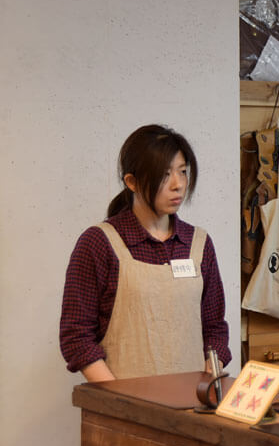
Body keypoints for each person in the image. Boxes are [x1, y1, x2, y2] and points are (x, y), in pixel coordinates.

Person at [60, 124, 231, 381]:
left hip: (191, 406)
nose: (178, 185)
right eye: (164, 175)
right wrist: (118, 398)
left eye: (183, 172)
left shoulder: (198, 244)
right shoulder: (100, 243)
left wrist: (208, 380)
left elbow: (214, 327)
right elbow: (76, 335)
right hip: (123, 408)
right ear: (132, 182)